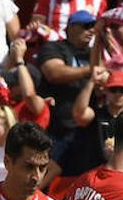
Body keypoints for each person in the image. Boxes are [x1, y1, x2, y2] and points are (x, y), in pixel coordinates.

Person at [40, 11, 98, 181]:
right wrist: (91, 70)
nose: (91, 31)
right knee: (47, 174)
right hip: (58, 128)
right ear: (70, 27)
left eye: (93, 27)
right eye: (86, 26)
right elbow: (54, 72)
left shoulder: (94, 53)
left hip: (88, 130)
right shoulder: (55, 48)